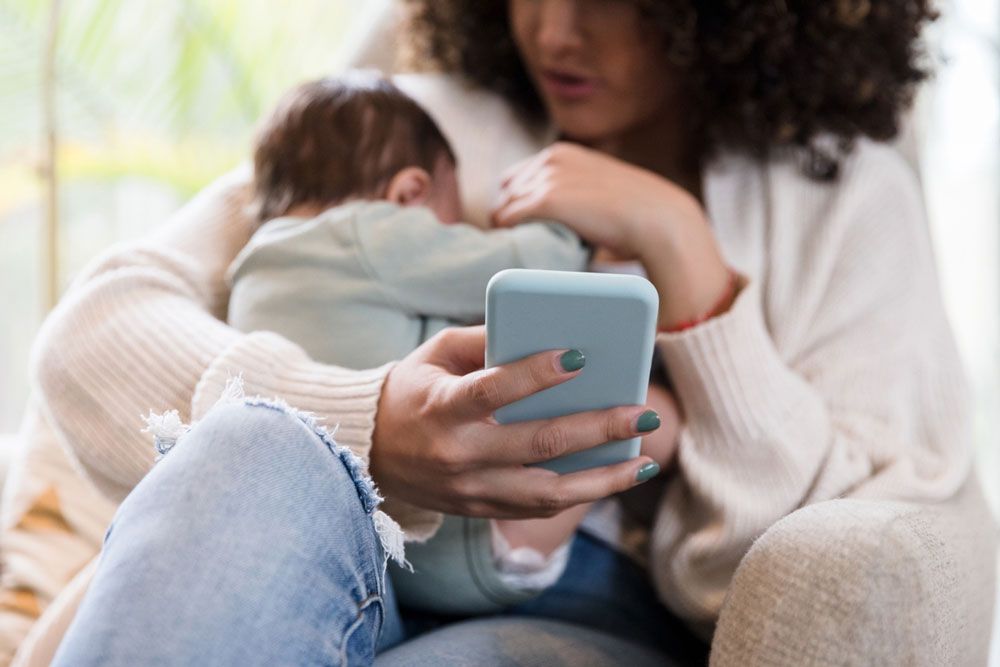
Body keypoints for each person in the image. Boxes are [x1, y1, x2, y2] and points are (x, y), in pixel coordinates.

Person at [9, 0, 970, 664]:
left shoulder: (841, 197)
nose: (555, 30)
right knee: (258, 441)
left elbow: (787, 574)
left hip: (588, 605)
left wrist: (685, 254)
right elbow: (95, 332)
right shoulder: (414, 121)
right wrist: (369, 420)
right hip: (342, 539)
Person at [227, 71, 676, 611]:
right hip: (466, 536)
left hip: (372, 563)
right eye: (454, 217)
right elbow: (535, 262)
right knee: (659, 417)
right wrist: (555, 222)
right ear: (409, 193)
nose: (462, 231)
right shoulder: (364, 232)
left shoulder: (248, 275)